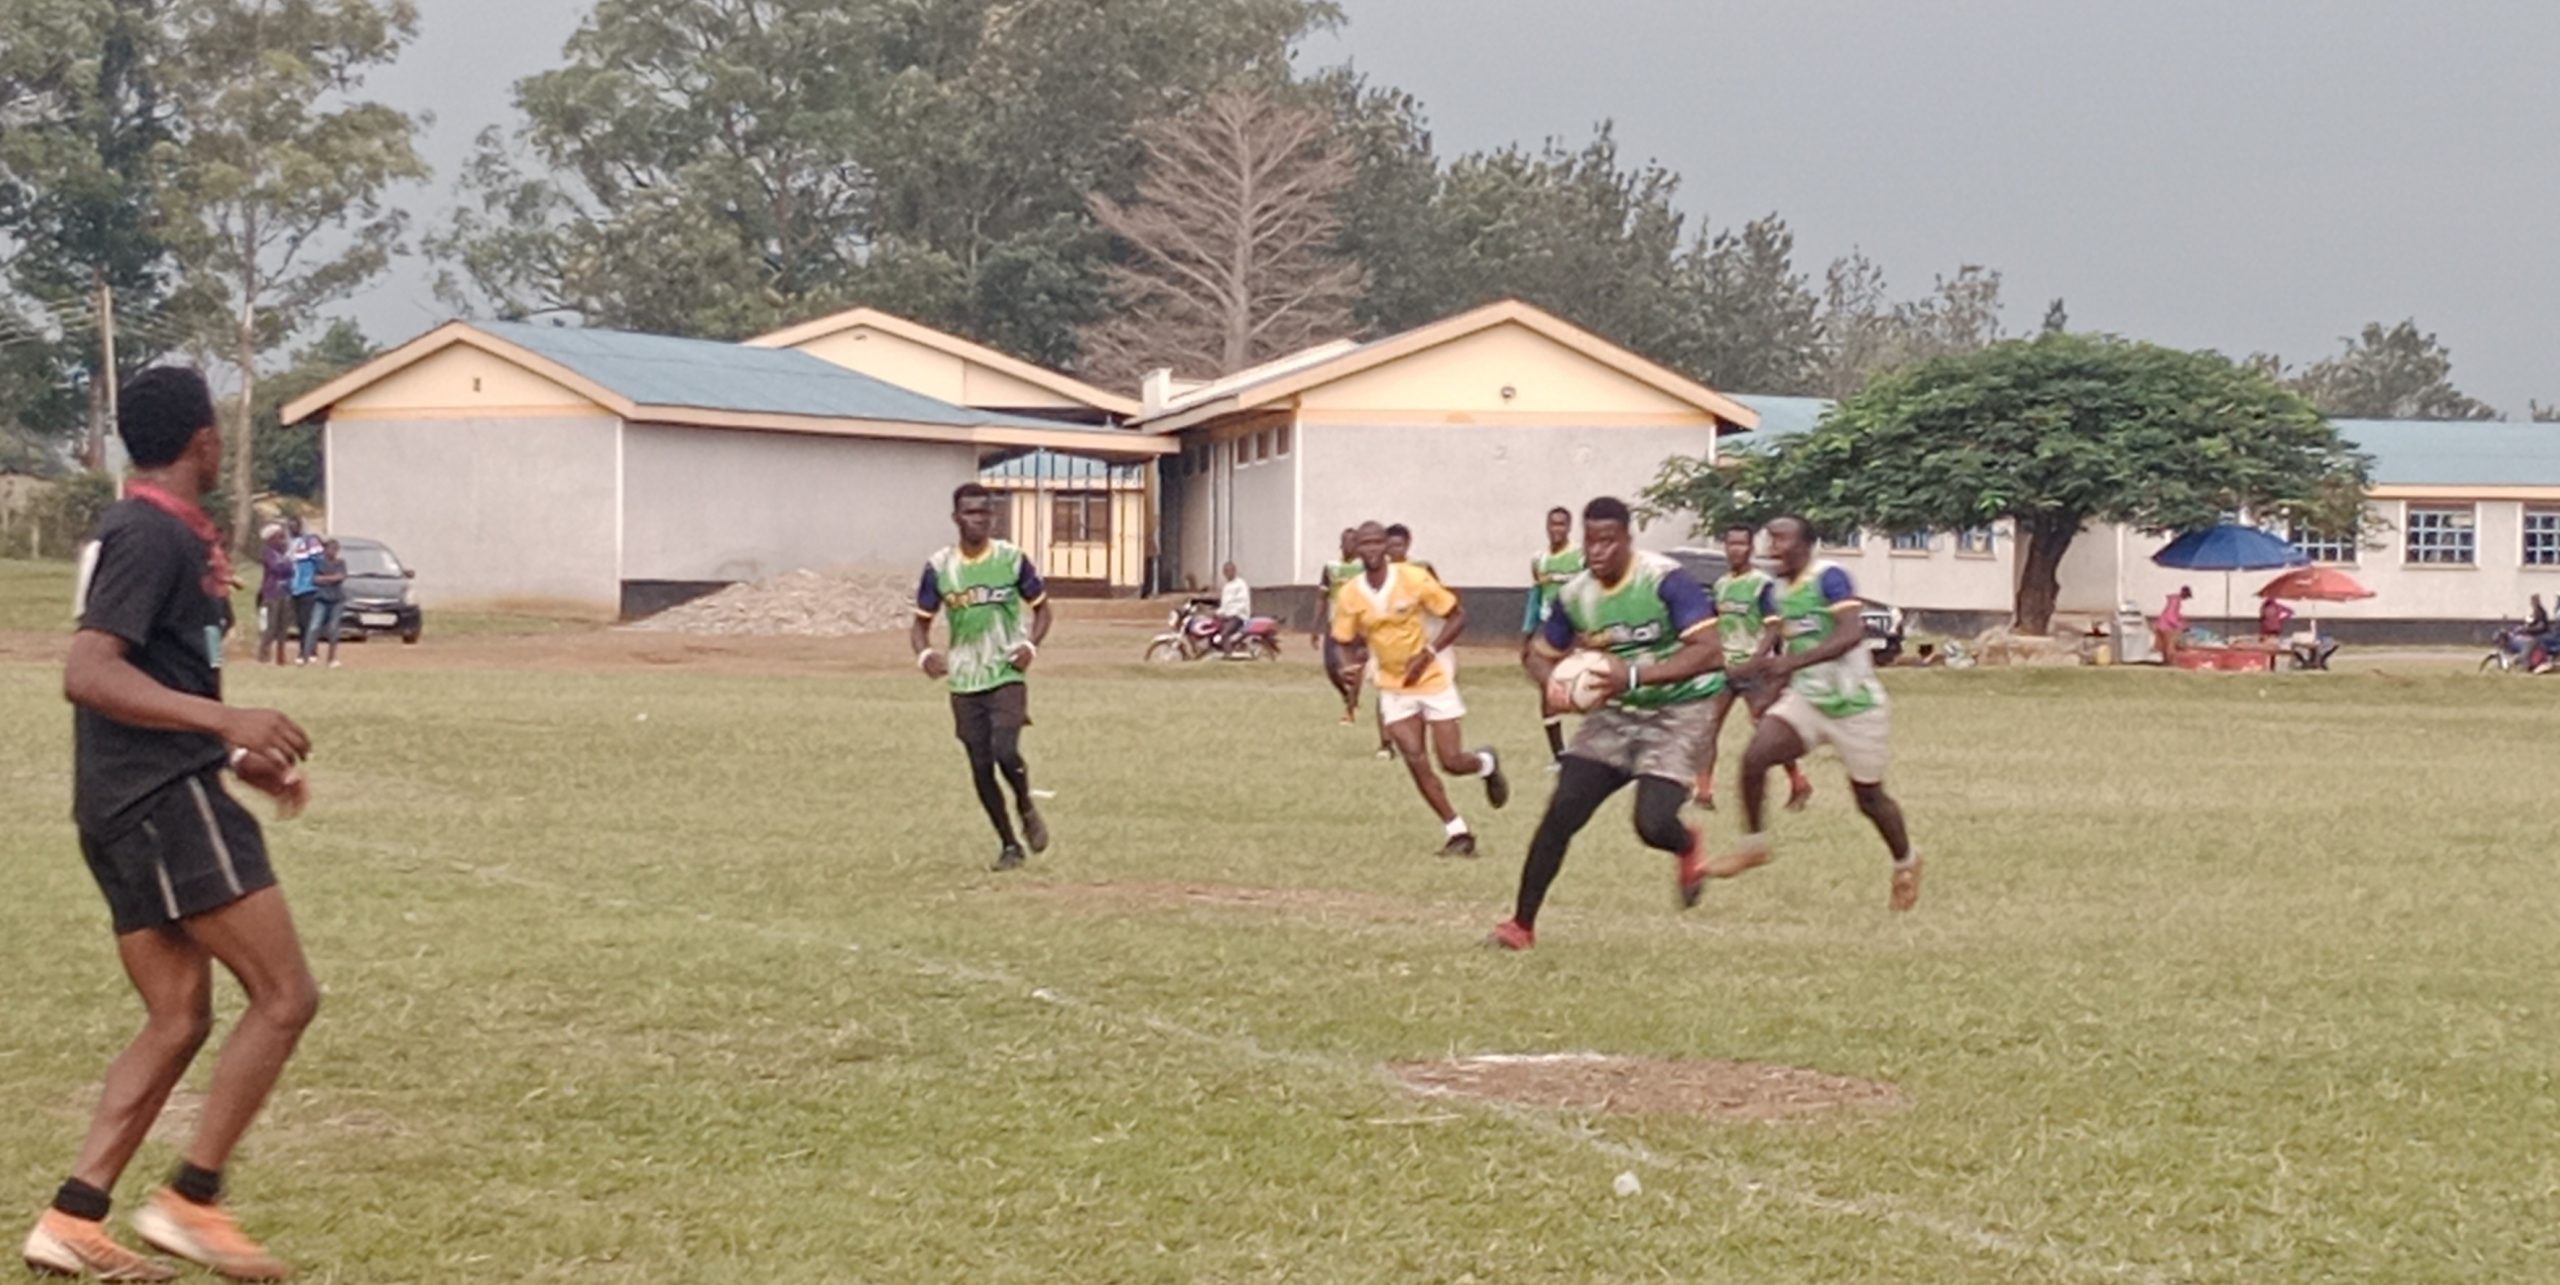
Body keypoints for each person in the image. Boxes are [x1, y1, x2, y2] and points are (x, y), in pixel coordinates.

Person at [27, 366, 319, 1282]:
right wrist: (226, 725)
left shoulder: (152, 531)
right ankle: (192, 1198)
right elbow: (90, 672)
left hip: (138, 794)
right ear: (204, 440)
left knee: (178, 1016)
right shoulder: (150, 532)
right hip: (158, 800)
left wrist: (238, 758)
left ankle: (73, 1218)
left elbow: (159, 680)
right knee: (284, 995)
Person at [1487, 498, 1725, 950]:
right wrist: (1553, 683)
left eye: (1607, 541)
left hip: (1679, 712)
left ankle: (1686, 843)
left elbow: (1710, 650)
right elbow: (1538, 653)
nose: (1597, 552)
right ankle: (1520, 926)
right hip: (1615, 713)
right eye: (1590, 541)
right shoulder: (1575, 595)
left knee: (1652, 824)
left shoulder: (1664, 579)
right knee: (1561, 813)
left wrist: (1631, 676)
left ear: (1627, 540)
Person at [1706, 515, 1921, 911]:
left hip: (1856, 705)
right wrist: (1771, 687)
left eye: (1781, 539)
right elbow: (1788, 647)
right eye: (1769, 539)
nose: (1772, 547)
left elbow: (1850, 633)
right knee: (1755, 757)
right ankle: (1753, 846)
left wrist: (1790, 664)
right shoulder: (1774, 592)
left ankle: (1906, 862)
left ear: (1806, 543)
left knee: (1869, 800)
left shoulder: (1830, 578)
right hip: (1808, 700)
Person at [1330, 520, 1509, 855]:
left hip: (1431, 679)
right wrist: (1348, 666)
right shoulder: (1351, 593)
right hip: (1393, 686)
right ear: (1356, 549)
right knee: (1415, 757)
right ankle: (1457, 832)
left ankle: (1485, 763)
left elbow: (1457, 616)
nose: (1370, 550)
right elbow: (1341, 639)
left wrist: (1428, 654)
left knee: (1451, 761)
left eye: (1376, 543)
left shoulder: (1413, 579)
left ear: (1386, 546)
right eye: (1364, 544)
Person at [911, 483, 1053, 872]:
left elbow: (1042, 610)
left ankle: (1026, 805)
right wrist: (925, 653)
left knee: (1005, 750)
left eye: (985, 513)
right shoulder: (940, 567)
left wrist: (1031, 647)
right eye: (971, 513)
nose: (980, 520)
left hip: (1006, 673)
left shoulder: (1010, 559)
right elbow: (920, 624)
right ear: (956, 518)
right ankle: (1009, 844)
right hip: (964, 681)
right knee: (980, 765)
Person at [1697, 523, 1812, 812]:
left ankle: (1799, 783)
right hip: (1725, 668)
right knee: (1707, 727)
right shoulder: (1721, 585)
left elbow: (1774, 627)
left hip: (1755, 669)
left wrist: (1758, 659)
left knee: (1767, 732)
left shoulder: (1761, 584)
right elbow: (1715, 624)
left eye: (1742, 544)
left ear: (1751, 548)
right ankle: (1703, 793)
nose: (1736, 549)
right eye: (1731, 543)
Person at [1522, 506, 1584, 764]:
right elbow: (1535, 597)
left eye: (1562, 524)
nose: (1557, 529)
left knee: (1586, 687)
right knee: (1547, 690)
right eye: (1553, 524)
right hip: (1549, 630)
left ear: (1569, 528)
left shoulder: (1581, 557)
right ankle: (1559, 756)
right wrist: (1527, 634)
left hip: (1578, 630)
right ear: (1547, 526)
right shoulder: (1540, 560)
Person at [1316, 529, 1365, 724]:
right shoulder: (1330, 567)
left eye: (1353, 542)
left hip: (1357, 624)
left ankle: (1350, 710)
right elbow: (1321, 597)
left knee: (1353, 668)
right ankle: (1346, 695)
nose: (1348, 545)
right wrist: (1315, 626)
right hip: (1333, 622)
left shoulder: (1364, 567)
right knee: (1330, 667)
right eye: (1345, 541)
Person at [302, 539, 347, 668]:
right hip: (321, 599)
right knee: (314, 627)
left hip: (337, 600)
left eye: (335, 549)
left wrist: (325, 578)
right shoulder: (319, 563)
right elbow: (315, 579)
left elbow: (340, 577)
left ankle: (331, 658)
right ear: (325, 550)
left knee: (333, 629)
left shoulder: (341, 563)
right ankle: (307, 655)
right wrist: (331, 578)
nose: (332, 552)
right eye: (330, 549)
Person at [283, 519, 320, 667]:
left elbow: (319, 561)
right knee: (299, 622)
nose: (292, 528)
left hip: (308, 587)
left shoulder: (310, 541)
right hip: (294, 588)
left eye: (295, 526)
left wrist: (315, 578)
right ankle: (308, 650)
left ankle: (307, 652)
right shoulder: (290, 544)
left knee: (307, 621)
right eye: (290, 526)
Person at [254, 526, 292, 667]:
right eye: (278, 536)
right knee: (270, 626)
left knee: (283, 627)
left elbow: (290, 570)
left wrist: (285, 565)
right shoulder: (267, 552)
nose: (281, 540)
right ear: (270, 538)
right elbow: (276, 568)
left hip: (285, 592)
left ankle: (281, 657)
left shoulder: (283, 553)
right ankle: (263, 655)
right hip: (271, 593)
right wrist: (284, 565)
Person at [1214, 561, 1251, 654]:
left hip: (1238, 616)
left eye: (1229, 570)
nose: (1227, 573)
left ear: (1234, 571)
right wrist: (1217, 612)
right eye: (1225, 571)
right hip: (1228, 616)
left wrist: (1229, 614)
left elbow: (1242, 603)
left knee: (1224, 634)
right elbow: (1225, 605)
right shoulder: (1226, 587)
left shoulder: (1241, 584)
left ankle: (1229, 655)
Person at [2153, 585, 2192, 664]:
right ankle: (2171, 663)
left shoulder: (2174, 600)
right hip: (2166, 626)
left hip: (2160, 624)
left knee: (2164, 646)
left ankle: (2165, 662)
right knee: (2170, 646)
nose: (2186, 598)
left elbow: (2172, 613)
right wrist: (2181, 626)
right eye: (2187, 596)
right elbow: (2170, 616)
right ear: (2183, 593)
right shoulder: (2175, 601)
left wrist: (2181, 618)